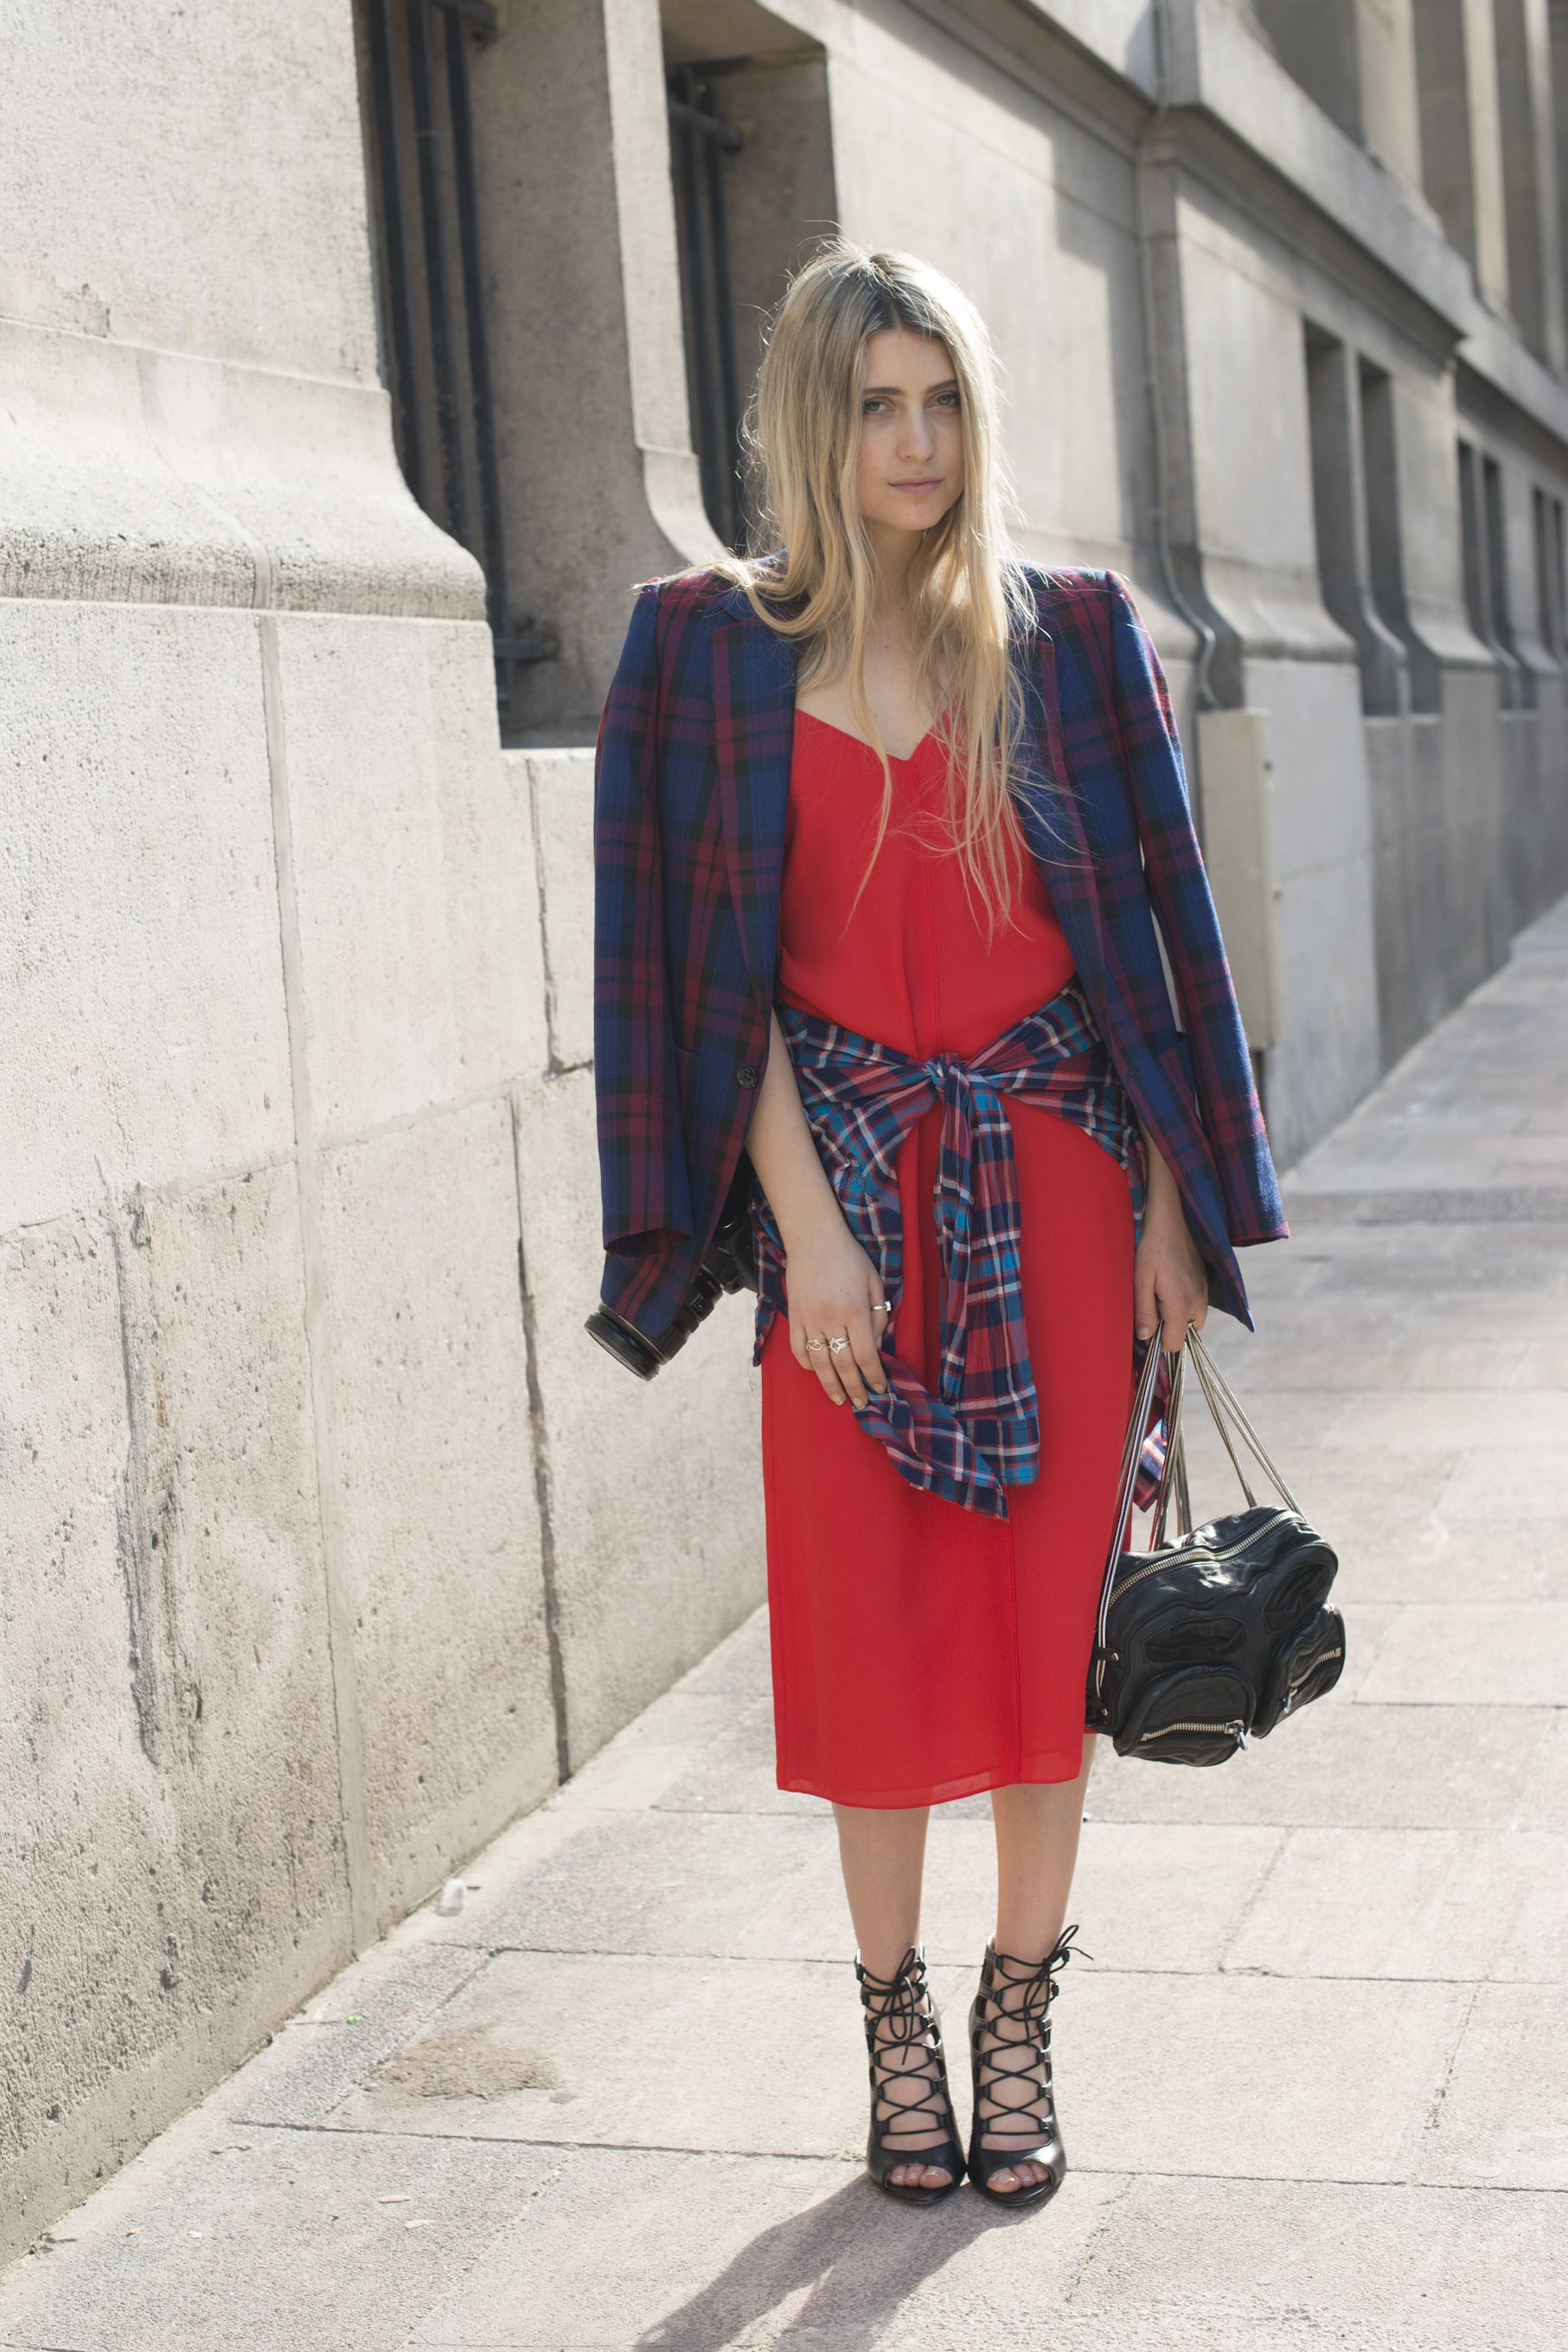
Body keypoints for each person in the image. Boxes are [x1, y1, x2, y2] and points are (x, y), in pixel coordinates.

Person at [592, 245, 1285, 2208]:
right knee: (872, 1627)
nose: (916, 440)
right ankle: (889, 2020)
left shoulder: (1066, 634)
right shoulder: (698, 650)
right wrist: (800, 1228)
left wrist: (1171, 1206)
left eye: (944, 399)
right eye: (878, 404)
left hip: (1061, 1192)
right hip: (845, 1218)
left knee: (1039, 1629)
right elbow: (688, 980)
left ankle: (1014, 2010)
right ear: (816, 426)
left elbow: (1164, 936)